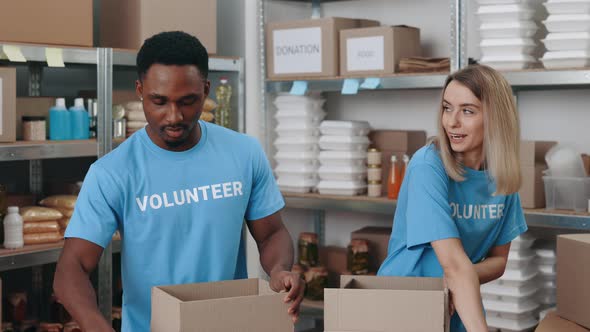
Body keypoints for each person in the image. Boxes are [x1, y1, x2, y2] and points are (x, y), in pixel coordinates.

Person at [53, 31, 304, 332]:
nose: (173, 116)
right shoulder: (112, 172)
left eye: (187, 101)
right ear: (139, 90)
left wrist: (279, 271)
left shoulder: (244, 153)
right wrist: (97, 325)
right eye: (159, 101)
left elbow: (272, 234)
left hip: (233, 325)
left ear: (206, 90)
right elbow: (72, 269)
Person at [377, 64, 527, 332]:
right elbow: (454, 262)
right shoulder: (428, 165)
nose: (452, 122)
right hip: (406, 300)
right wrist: (458, 274)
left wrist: (459, 278)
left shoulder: (502, 176)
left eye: (467, 111)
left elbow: (499, 261)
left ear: (496, 117)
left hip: (458, 299)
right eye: (447, 108)